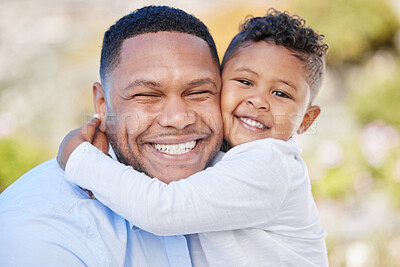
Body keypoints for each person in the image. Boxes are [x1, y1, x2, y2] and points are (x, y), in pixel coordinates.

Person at [58, 9, 329, 266]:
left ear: (306, 119)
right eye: (245, 82)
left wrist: (82, 159)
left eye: (281, 94)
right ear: (219, 84)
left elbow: (161, 210)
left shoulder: (269, 166)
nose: (258, 101)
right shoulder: (224, 148)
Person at [0, 6, 224, 266]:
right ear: (103, 104)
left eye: (199, 92)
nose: (177, 118)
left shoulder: (252, 180)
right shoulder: (42, 226)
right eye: (147, 95)